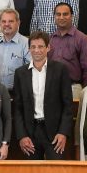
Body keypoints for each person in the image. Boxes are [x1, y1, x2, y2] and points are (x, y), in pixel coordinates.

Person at [13, 31, 73, 160]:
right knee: (32, 171)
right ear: (29, 49)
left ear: (48, 47)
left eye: (40, 46)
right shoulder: (20, 73)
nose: (37, 50)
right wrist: (22, 135)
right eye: (33, 47)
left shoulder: (60, 70)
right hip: (30, 132)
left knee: (55, 170)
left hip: (54, 132)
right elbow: (17, 108)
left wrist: (63, 132)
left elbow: (68, 105)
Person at [49, 2, 87, 100]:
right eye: (58, 14)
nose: (61, 17)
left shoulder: (82, 39)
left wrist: (86, 91)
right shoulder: (50, 39)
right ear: (54, 17)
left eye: (65, 14)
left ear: (72, 16)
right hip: (52, 87)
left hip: (73, 87)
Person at [0, 8, 30, 93]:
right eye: (3, 21)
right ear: (0, 23)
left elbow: (31, 72)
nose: (6, 24)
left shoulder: (27, 44)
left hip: (18, 93)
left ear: (18, 23)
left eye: (11, 21)